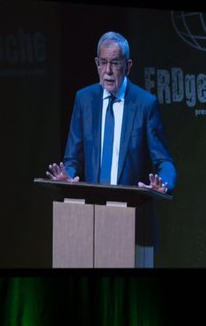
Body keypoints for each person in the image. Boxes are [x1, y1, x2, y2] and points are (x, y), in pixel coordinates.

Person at [46, 31, 177, 268]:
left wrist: (163, 184)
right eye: (103, 62)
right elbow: (73, 157)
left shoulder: (145, 104)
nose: (108, 71)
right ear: (96, 64)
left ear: (127, 66)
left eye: (115, 63)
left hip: (132, 222)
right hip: (89, 220)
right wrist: (69, 177)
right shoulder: (84, 99)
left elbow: (165, 162)